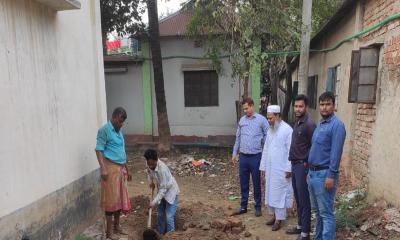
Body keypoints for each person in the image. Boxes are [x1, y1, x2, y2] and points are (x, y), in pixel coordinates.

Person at [308, 92, 346, 240]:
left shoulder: (337, 126)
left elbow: (336, 154)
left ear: (334, 106)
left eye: (328, 104)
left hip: (324, 175)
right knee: (318, 213)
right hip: (313, 174)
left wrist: (331, 175)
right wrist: (309, 172)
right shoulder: (321, 124)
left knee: (326, 214)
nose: (324, 108)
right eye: (322, 104)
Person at [95, 107, 132, 240]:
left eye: (123, 122)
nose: (122, 124)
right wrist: (103, 168)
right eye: (120, 121)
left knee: (119, 200)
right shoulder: (104, 130)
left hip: (120, 169)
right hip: (110, 169)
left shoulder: (119, 131)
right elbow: (98, 150)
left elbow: (121, 152)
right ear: (115, 117)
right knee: (111, 202)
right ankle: (109, 233)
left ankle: (117, 227)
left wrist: (127, 169)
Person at [232, 98, 269, 217]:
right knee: (243, 182)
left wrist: (265, 150)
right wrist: (234, 153)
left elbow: (268, 136)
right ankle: (243, 206)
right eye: (243, 109)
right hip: (243, 157)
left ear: (252, 106)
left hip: (256, 157)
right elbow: (238, 138)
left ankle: (258, 207)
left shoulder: (261, 120)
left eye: (247, 108)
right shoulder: (242, 120)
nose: (245, 111)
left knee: (256, 182)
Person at [286, 95, 316, 240]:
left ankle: (305, 233)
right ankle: (299, 226)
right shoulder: (298, 122)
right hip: (294, 165)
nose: (297, 109)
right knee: (298, 197)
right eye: (296, 106)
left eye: (300, 106)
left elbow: (313, 146)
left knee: (304, 200)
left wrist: (306, 164)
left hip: (302, 166)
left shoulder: (309, 124)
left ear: (306, 107)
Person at [259, 105, 294, 231]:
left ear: (278, 116)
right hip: (270, 168)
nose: (269, 120)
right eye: (268, 118)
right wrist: (263, 167)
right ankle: (273, 216)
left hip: (281, 169)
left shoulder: (287, 130)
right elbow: (266, 149)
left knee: (280, 194)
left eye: (271, 118)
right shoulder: (270, 130)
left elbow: (291, 151)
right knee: (270, 193)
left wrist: (289, 168)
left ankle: (279, 219)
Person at [144, 149, 180, 235]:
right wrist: (151, 182)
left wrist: (154, 202)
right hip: (161, 191)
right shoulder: (148, 163)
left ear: (156, 160)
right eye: (149, 164)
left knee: (169, 216)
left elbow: (163, 189)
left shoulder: (162, 170)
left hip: (170, 192)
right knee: (160, 215)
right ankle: (160, 234)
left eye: (152, 164)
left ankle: (171, 236)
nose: (150, 166)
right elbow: (149, 172)